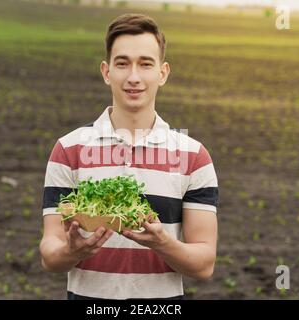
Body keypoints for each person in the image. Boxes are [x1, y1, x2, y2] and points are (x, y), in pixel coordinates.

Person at [40, 13, 219, 300]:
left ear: (162, 73)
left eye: (145, 64)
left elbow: (204, 264)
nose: (133, 77)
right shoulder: (68, 150)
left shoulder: (193, 156)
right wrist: (71, 251)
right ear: (106, 71)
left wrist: (163, 244)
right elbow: (50, 255)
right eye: (122, 63)